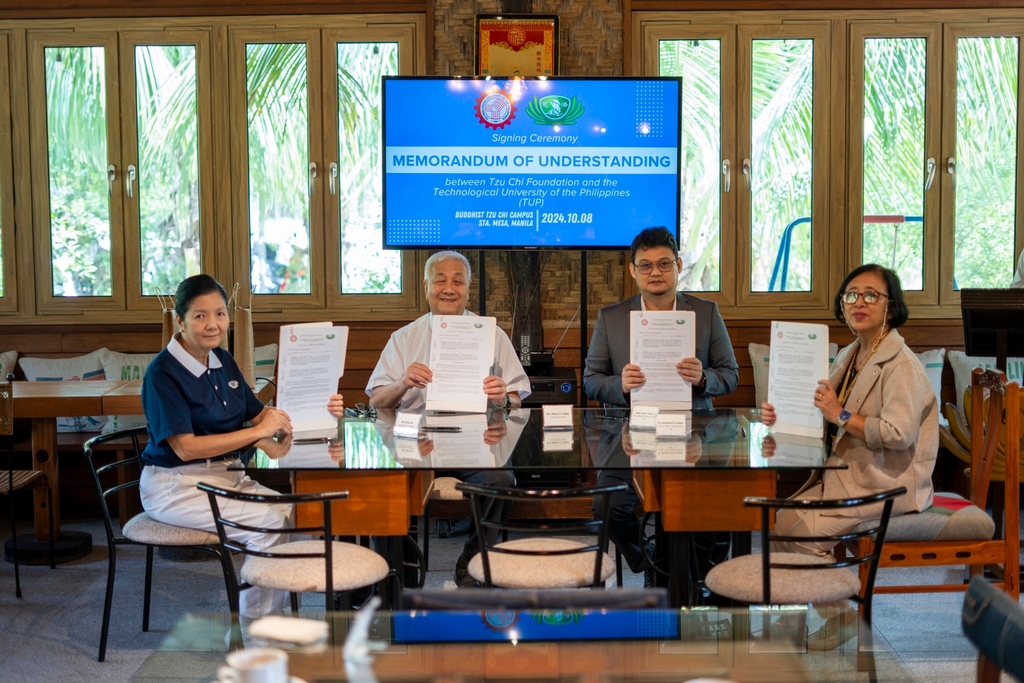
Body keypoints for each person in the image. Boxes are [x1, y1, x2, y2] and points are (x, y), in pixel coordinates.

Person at [139, 274, 346, 620]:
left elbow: (264, 417)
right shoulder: (162, 372)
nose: (212, 324)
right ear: (180, 320)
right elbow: (186, 448)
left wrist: (319, 408)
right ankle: (256, 635)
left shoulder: (222, 360)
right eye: (200, 315)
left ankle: (273, 619)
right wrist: (257, 435)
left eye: (220, 314)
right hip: (176, 485)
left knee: (295, 515)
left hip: (228, 475)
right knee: (269, 524)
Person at [761, 263, 938, 647]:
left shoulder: (901, 364)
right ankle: (794, 618)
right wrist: (782, 413)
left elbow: (897, 433)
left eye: (871, 294)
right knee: (778, 524)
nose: (859, 302)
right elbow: (827, 412)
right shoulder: (851, 352)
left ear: (890, 307)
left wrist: (840, 413)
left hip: (885, 480)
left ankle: (842, 615)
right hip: (845, 475)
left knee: (803, 536)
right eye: (851, 295)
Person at [365, 250, 531, 587]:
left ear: (469, 289)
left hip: (475, 441)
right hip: (415, 440)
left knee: (501, 481)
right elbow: (375, 399)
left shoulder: (492, 335)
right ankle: (398, 575)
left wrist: (501, 396)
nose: (449, 287)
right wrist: (403, 383)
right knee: (386, 482)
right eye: (440, 279)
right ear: (426, 287)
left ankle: (472, 565)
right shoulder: (404, 338)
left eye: (458, 280)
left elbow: (518, 398)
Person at [583, 226, 739, 583]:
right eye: (647, 265)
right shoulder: (611, 317)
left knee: (712, 501)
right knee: (606, 505)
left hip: (694, 432)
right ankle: (650, 562)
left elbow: (730, 375)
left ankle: (694, 577)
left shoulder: (705, 311)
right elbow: (591, 379)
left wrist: (703, 378)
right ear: (633, 270)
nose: (656, 272)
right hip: (630, 434)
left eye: (664, 264)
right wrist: (619, 386)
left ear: (678, 265)